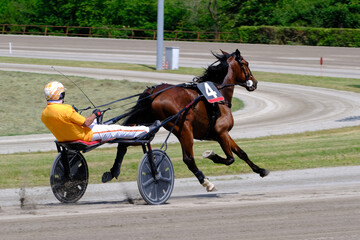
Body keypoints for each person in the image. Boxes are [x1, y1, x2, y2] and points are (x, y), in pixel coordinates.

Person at [41, 81, 161, 183]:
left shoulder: (45, 114)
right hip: (87, 135)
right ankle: (146, 130)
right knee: (117, 129)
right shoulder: (66, 110)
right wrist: (95, 114)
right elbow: (87, 122)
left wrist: (76, 114)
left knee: (107, 126)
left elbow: (66, 123)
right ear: (61, 94)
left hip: (66, 138)